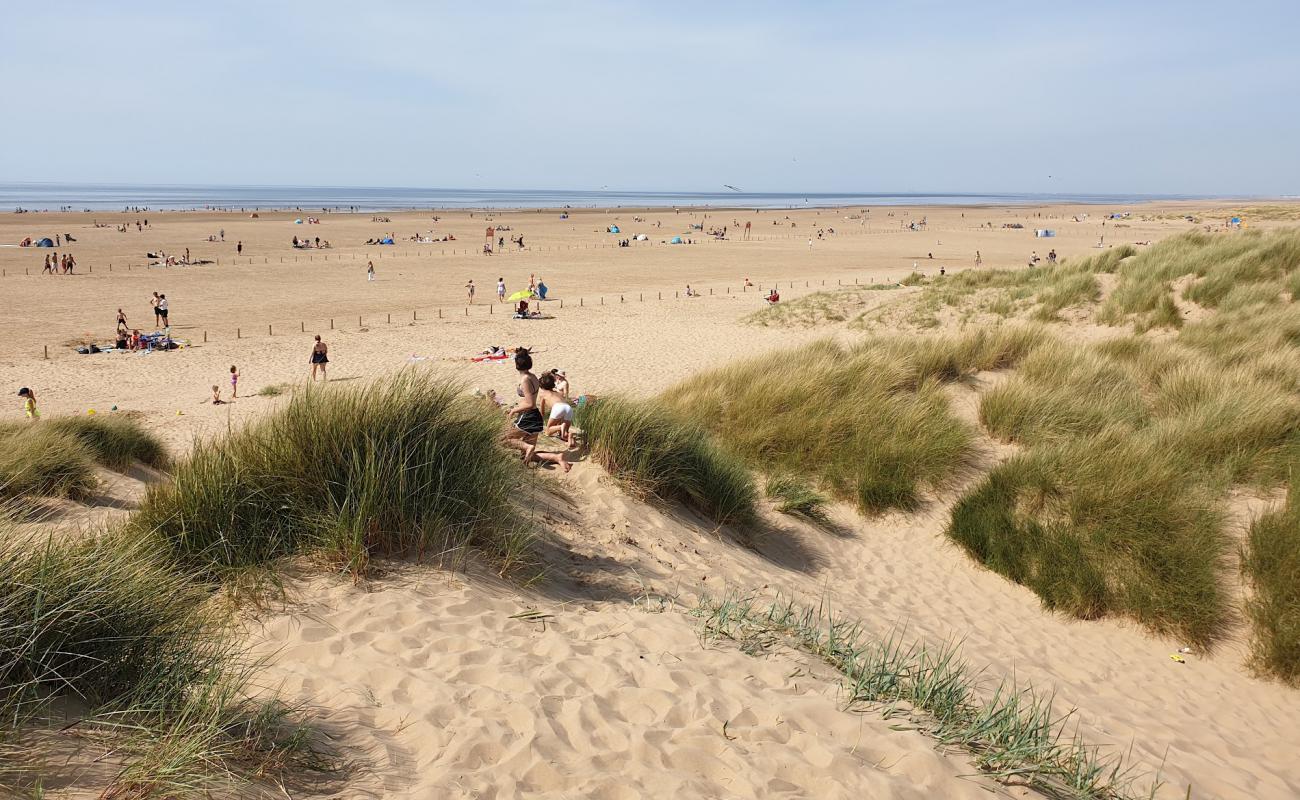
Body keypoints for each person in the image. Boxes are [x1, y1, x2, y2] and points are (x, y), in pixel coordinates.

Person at [502, 350, 570, 472]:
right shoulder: (533, 376)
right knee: (527, 456)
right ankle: (556, 457)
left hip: (528, 417)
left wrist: (513, 410)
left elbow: (530, 403)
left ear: (517, 365)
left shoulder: (525, 379)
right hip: (535, 417)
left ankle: (528, 447)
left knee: (503, 440)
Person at [538, 371, 574, 444]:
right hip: (568, 408)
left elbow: (542, 412)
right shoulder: (558, 393)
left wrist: (540, 424)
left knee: (548, 431)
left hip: (558, 407)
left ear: (541, 386)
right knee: (564, 433)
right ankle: (570, 439)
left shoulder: (543, 394)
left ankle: (560, 427)